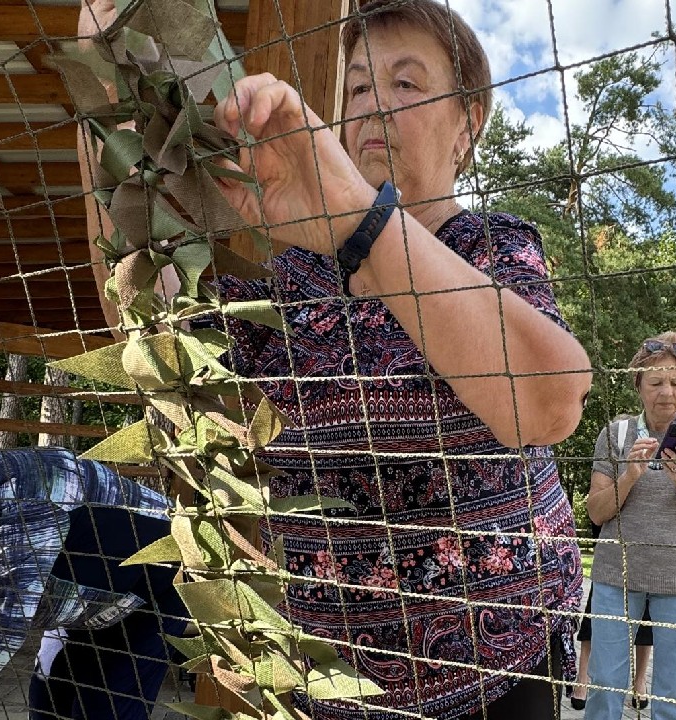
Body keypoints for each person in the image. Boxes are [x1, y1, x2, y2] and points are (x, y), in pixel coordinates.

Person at [79, 1, 593, 719]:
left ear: (467, 127)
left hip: (499, 681)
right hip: (332, 692)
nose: (374, 104)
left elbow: (548, 402)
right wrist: (112, 93)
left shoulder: (492, 246)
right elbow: (153, 328)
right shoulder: (293, 285)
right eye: (356, 87)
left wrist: (360, 221)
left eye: (407, 84)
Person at [0, 448, 186, 720]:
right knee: (46, 704)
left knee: (105, 708)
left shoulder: (25, 494)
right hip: (80, 603)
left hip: (151, 597)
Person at [584, 333, 676, 720]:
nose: (666, 392)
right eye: (655, 382)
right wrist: (630, 475)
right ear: (638, 384)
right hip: (616, 577)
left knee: (674, 694)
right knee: (604, 687)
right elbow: (596, 513)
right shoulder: (615, 435)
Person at [571, 523, 652, 712]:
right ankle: (582, 677)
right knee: (596, 615)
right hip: (612, 547)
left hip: (651, 552)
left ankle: (640, 679)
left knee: (646, 619)